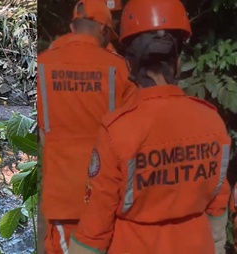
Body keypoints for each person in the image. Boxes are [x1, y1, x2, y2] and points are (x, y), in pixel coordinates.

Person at [68, 0, 231, 253]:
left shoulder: (117, 131)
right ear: (177, 60)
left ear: (130, 64)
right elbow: (218, 207)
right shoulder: (212, 121)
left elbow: (94, 230)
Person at [37, 0, 138, 253]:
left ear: (73, 26)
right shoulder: (117, 68)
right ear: (103, 30)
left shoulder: (43, 64)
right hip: (105, 194)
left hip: (62, 196)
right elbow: (137, 127)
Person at [48, 0, 123, 54]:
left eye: (116, 14)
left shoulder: (55, 46)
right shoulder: (109, 51)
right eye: (109, 14)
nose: (115, 20)